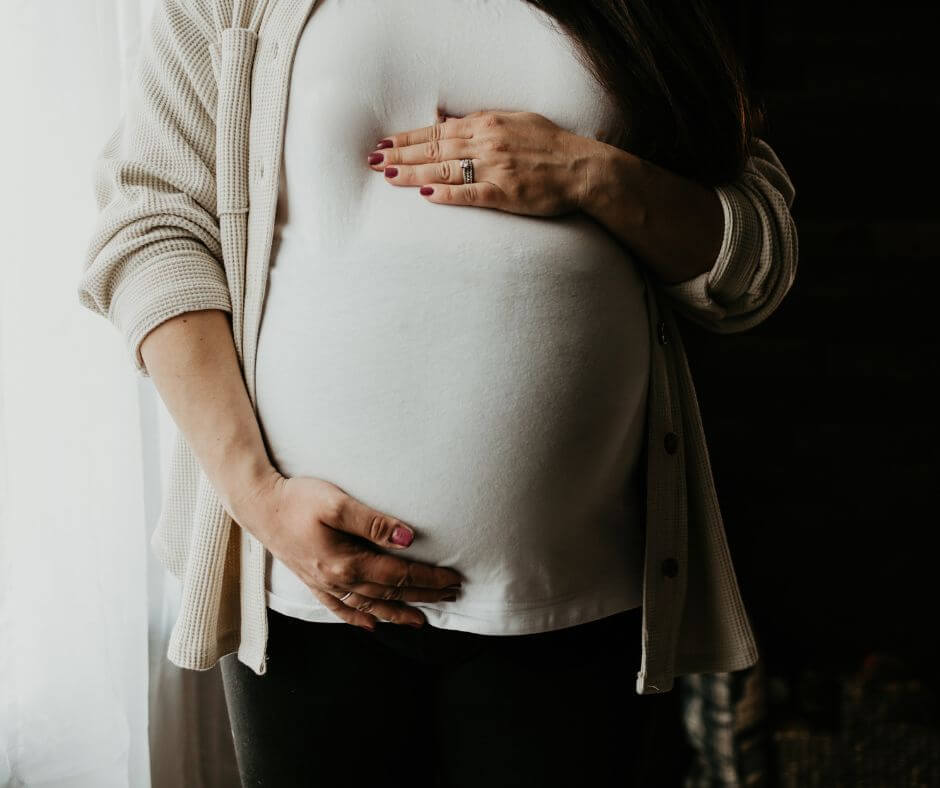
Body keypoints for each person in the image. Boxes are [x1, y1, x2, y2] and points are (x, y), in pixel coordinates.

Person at [78, 0, 798, 785]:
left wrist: (593, 173)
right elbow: (151, 224)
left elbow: (753, 260)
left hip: (580, 600)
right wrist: (257, 499)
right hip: (307, 593)